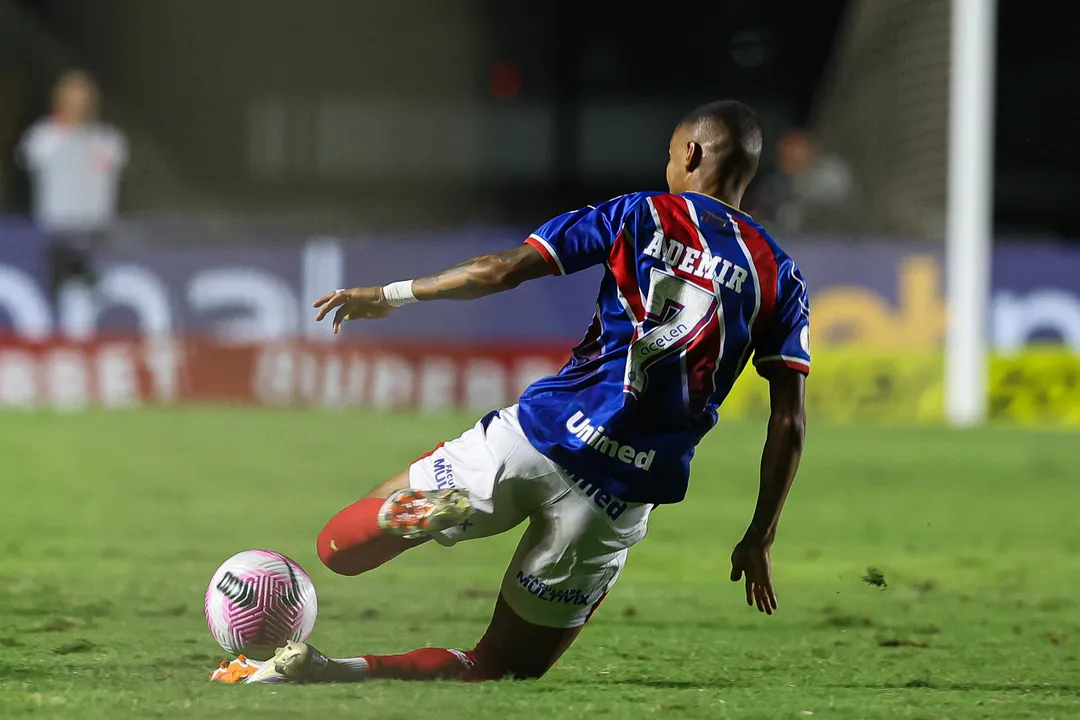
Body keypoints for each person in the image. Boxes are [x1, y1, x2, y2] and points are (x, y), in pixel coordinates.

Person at [212, 100, 810, 685]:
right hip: (617, 497)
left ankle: (419, 510)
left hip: (537, 438)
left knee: (337, 547)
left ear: (691, 151)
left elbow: (502, 270)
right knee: (503, 666)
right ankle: (331, 672)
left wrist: (392, 295)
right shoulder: (778, 274)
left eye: (670, 154)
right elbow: (789, 422)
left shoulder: (641, 214)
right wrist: (760, 534)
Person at [15, 70, 127, 299]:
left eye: (83, 99)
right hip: (56, 233)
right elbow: (28, 157)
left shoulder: (109, 139)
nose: (78, 106)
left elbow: (114, 164)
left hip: (97, 234)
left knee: (96, 295)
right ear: (60, 101)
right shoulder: (43, 137)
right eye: (72, 99)